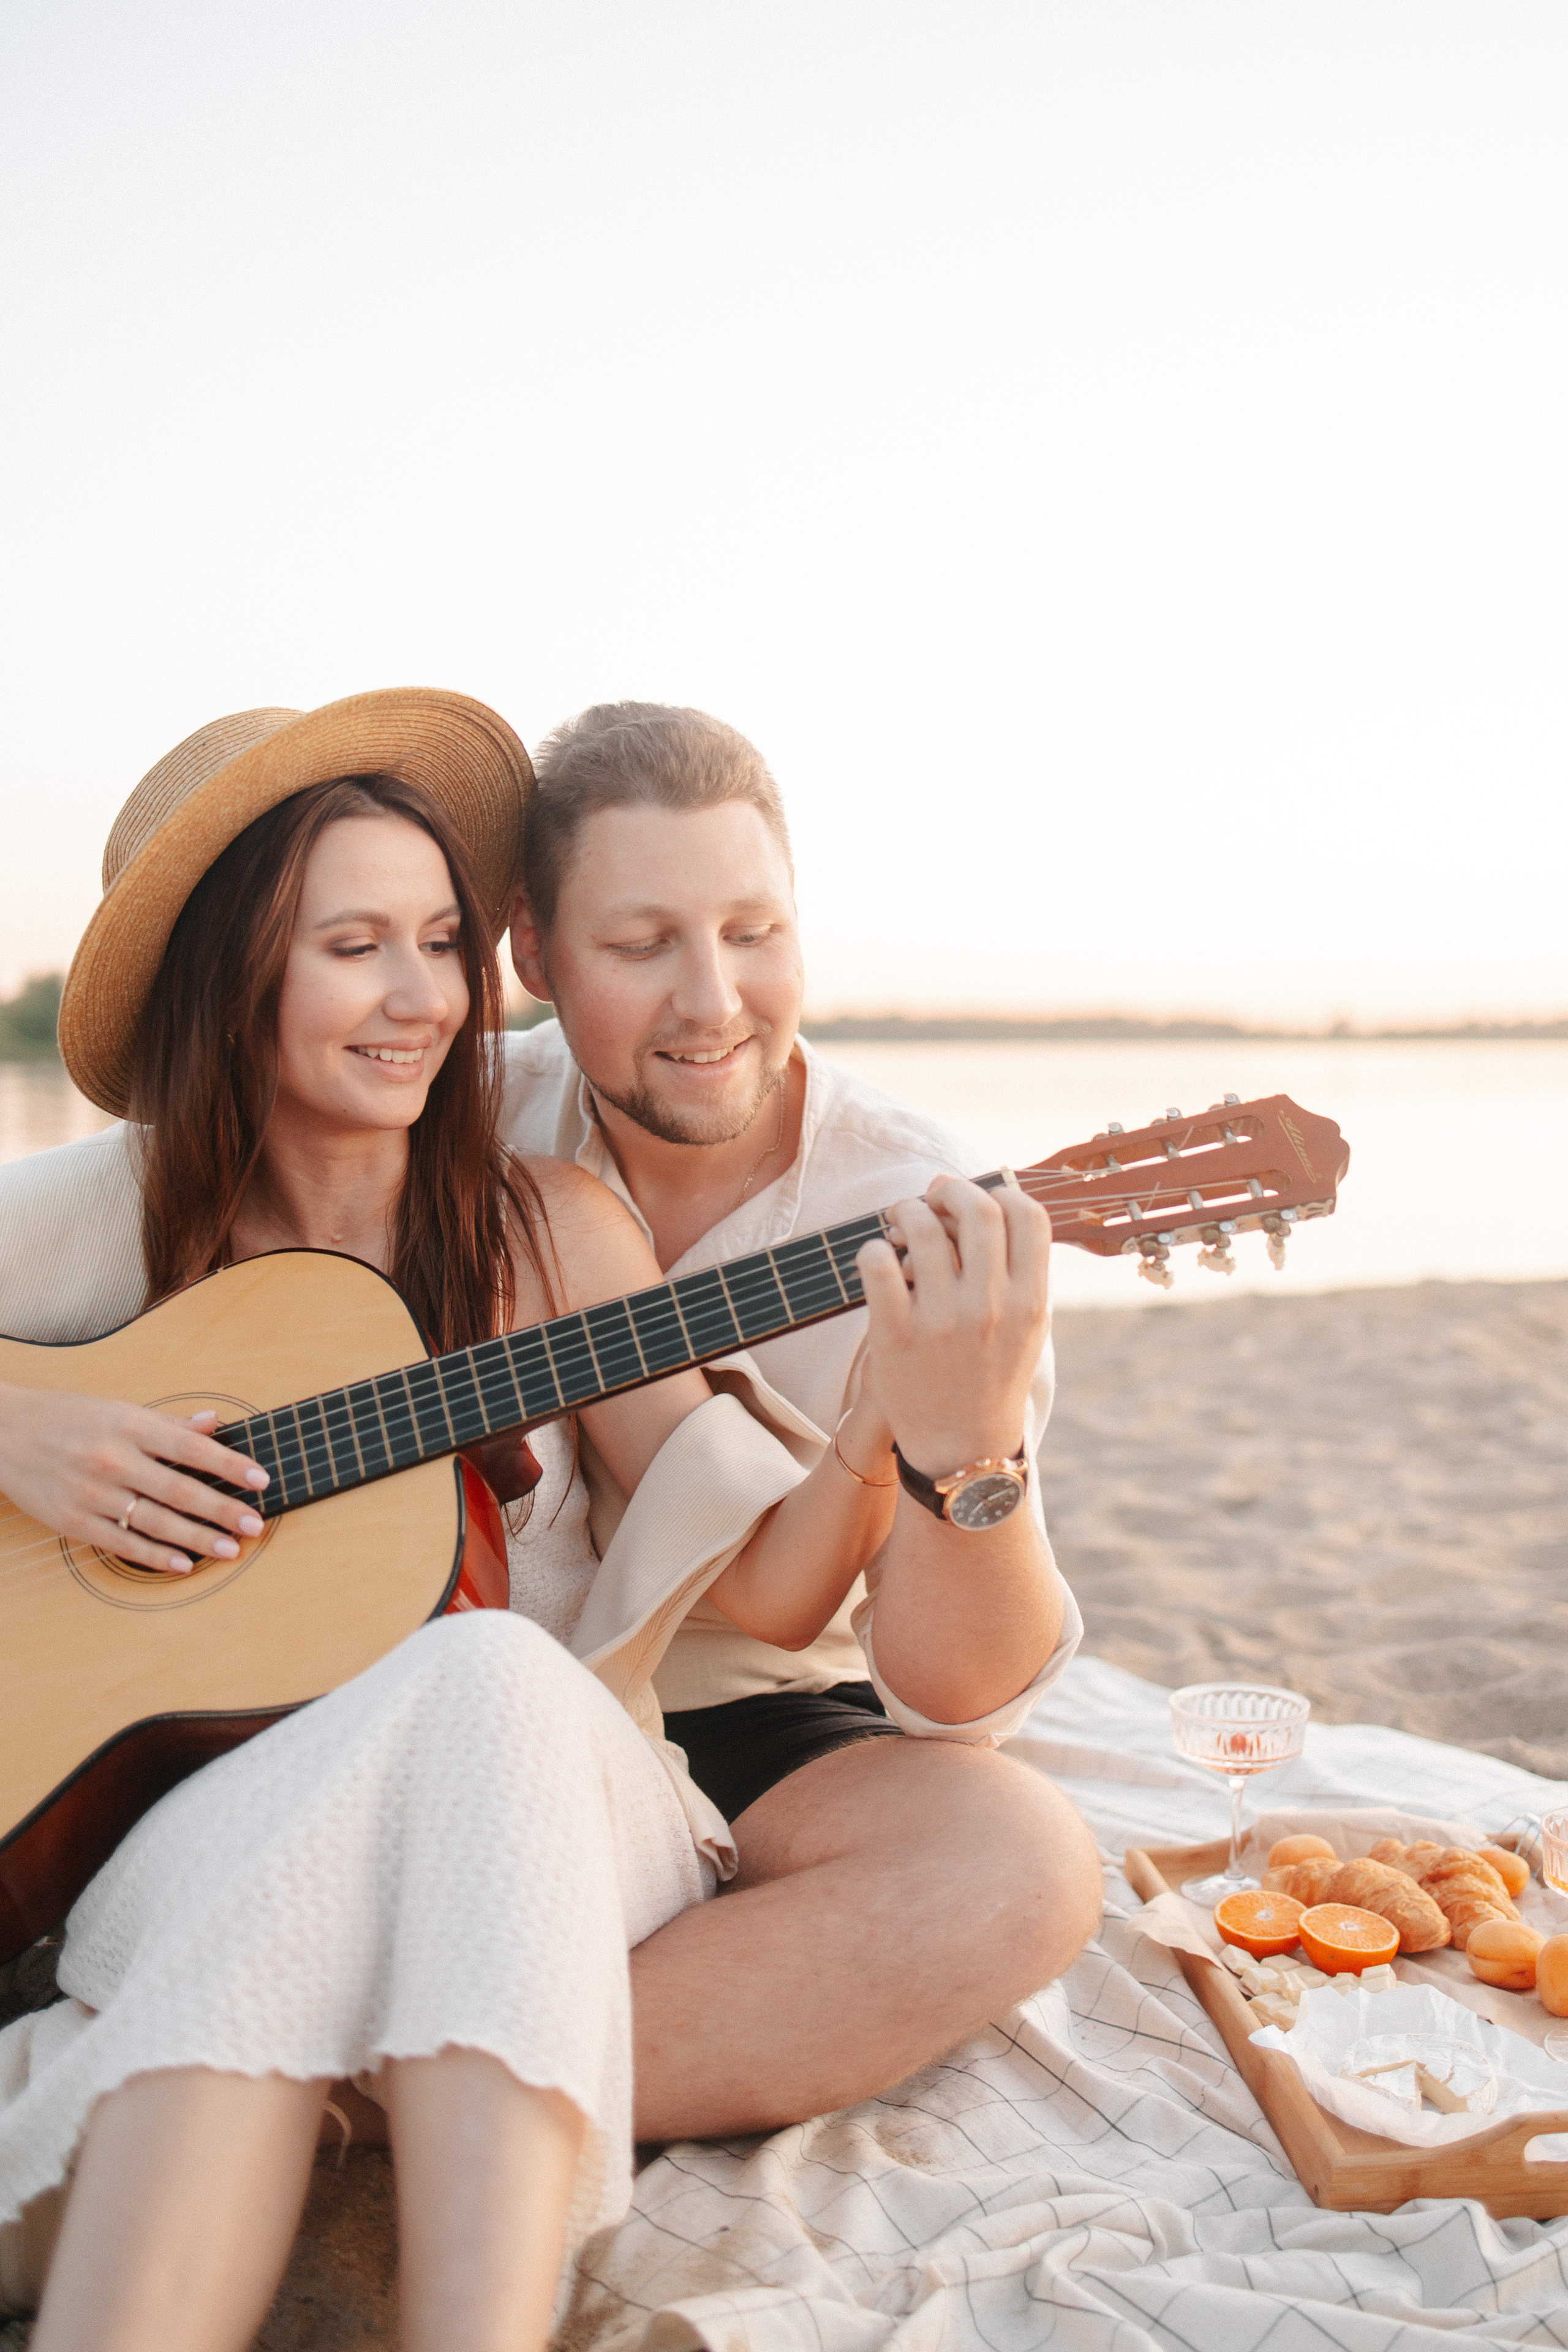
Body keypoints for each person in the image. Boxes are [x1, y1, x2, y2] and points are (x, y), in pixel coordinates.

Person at [0, 692, 1069, 2350]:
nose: (423, 995)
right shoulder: (99, 1221)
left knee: (489, 1675)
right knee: (424, 1733)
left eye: (437, 942)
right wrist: (27, 1429)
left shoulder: (544, 1226)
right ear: (235, 979)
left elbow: (773, 1584)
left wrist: (895, 1419)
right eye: (355, 945)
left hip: (521, 1791)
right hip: (185, 1821)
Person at [505, 699, 1100, 2140]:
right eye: (641, 944)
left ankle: (392, 2098)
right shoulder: (448, 1119)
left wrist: (965, 1449)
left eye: (753, 931)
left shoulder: (925, 1212)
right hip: (473, 1667)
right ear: (531, 953)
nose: (712, 1000)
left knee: (1011, 1861)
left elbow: (957, 1704)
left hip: (756, 1720)